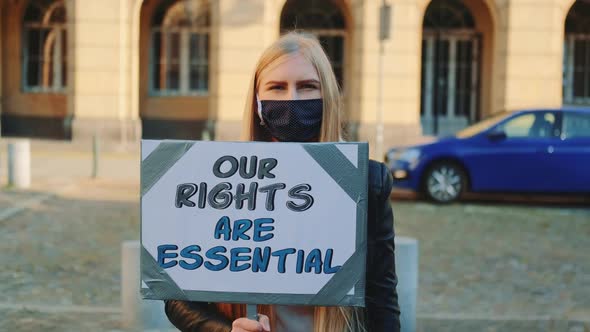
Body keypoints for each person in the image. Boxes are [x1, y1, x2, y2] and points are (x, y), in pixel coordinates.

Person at [164, 32, 401, 332]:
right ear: (258, 102)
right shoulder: (218, 182)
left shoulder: (366, 182)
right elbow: (177, 295)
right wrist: (227, 330)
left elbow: (382, 297)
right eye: (277, 87)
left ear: (326, 95)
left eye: (307, 87)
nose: (292, 99)